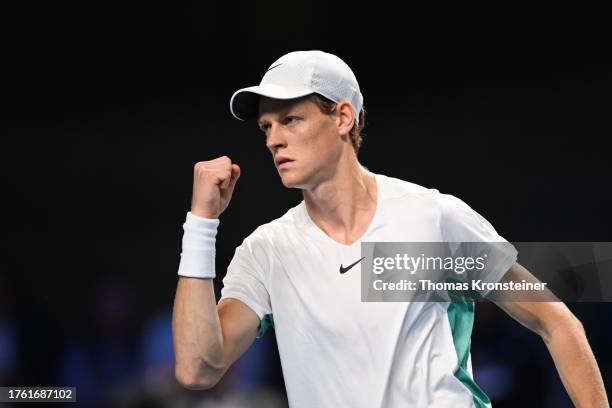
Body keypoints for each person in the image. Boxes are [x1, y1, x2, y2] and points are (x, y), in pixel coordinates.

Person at [172, 50, 608, 407]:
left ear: (343, 118)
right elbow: (197, 367)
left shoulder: (432, 218)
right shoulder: (267, 250)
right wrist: (201, 223)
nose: (273, 140)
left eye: (291, 120)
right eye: (267, 126)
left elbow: (556, 321)